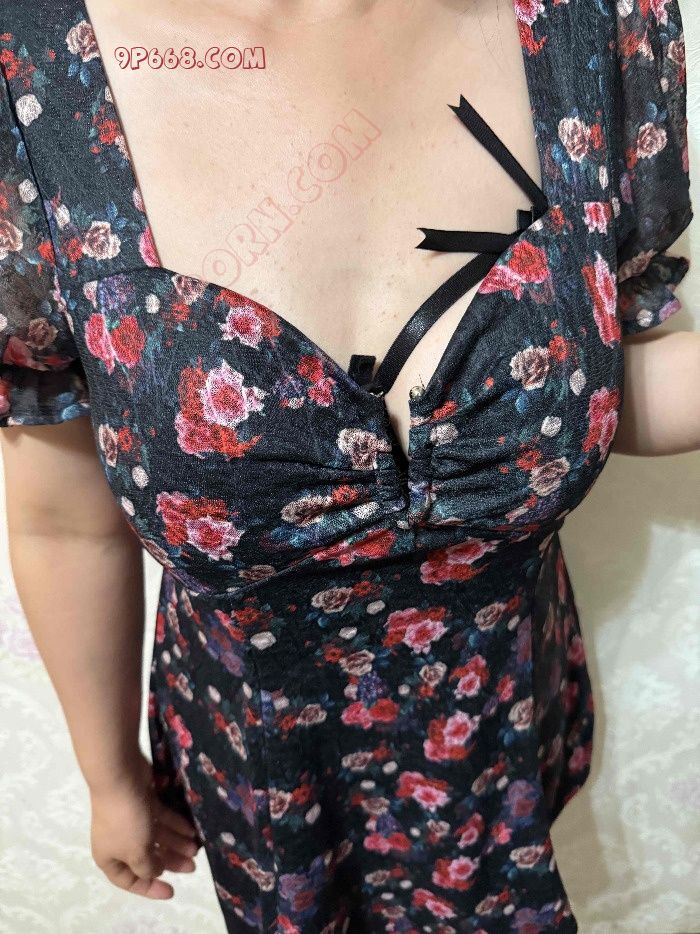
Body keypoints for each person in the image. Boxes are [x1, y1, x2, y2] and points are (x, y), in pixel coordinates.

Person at [0, 0, 697, 931]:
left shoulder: (594, 21)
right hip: (266, 774)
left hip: (506, 724)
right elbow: (63, 520)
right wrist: (109, 773)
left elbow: (597, 381)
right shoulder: (28, 78)